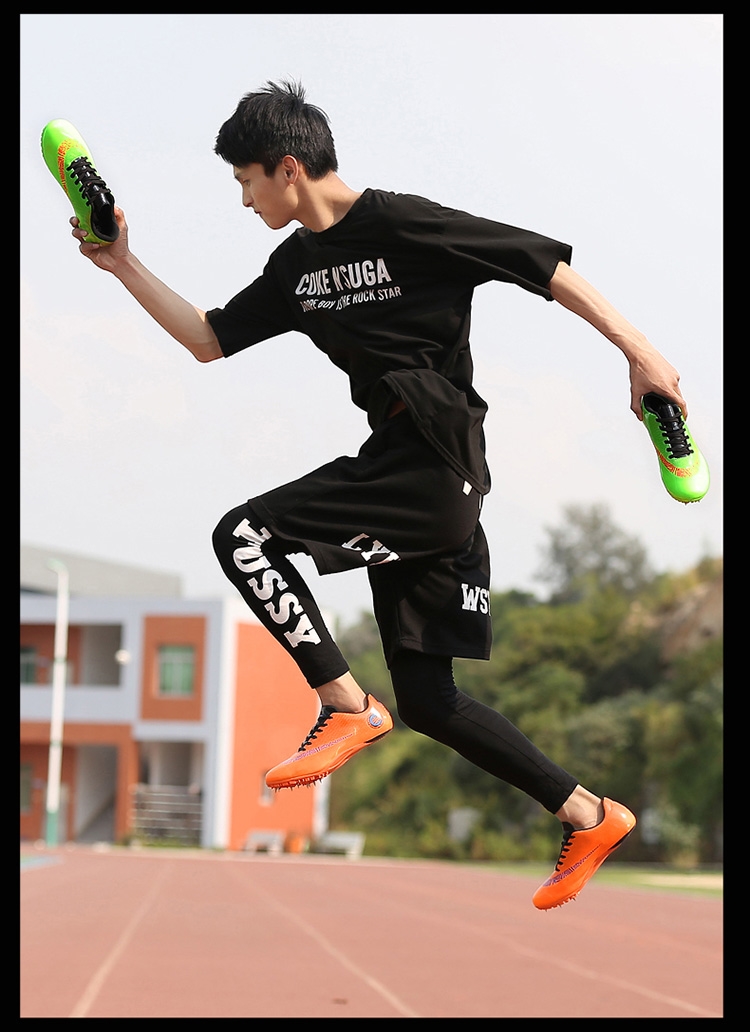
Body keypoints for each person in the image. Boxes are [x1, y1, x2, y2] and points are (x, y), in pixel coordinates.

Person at [69, 80, 686, 910]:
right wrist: (121, 263)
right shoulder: (294, 268)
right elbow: (209, 339)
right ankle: (589, 814)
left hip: (433, 457)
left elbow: (543, 267)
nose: (245, 200)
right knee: (430, 701)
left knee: (243, 535)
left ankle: (344, 705)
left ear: (288, 169)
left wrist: (639, 352)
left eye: (247, 181)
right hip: (410, 472)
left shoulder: (405, 224)